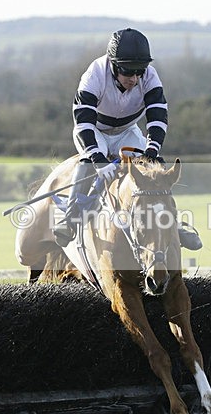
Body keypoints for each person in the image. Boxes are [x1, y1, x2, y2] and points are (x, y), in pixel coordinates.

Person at [52, 28, 202, 251]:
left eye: (139, 72)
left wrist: (152, 149)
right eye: (127, 72)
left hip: (127, 131)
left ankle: (174, 226)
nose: (134, 79)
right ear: (113, 64)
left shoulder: (150, 76)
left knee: (154, 169)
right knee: (88, 165)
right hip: (95, 130)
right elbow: (83, 123)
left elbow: (158, 116)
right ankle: (71, 218)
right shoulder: (94, 75)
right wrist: (97, 158)